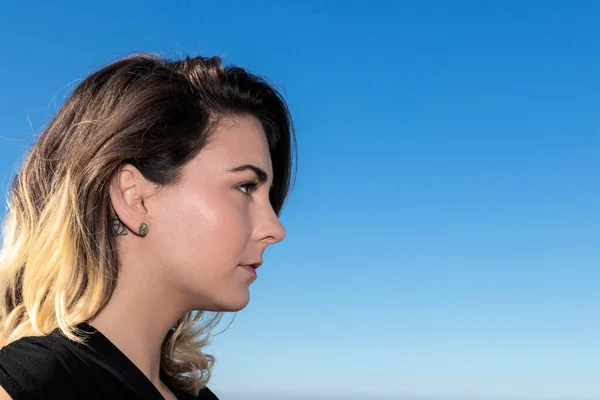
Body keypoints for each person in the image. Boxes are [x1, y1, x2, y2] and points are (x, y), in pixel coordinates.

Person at [0, 53, 295, 399]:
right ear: (133, 196)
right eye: (245, 187)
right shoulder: (32, 384)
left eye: (268, 196)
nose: (275, 228)